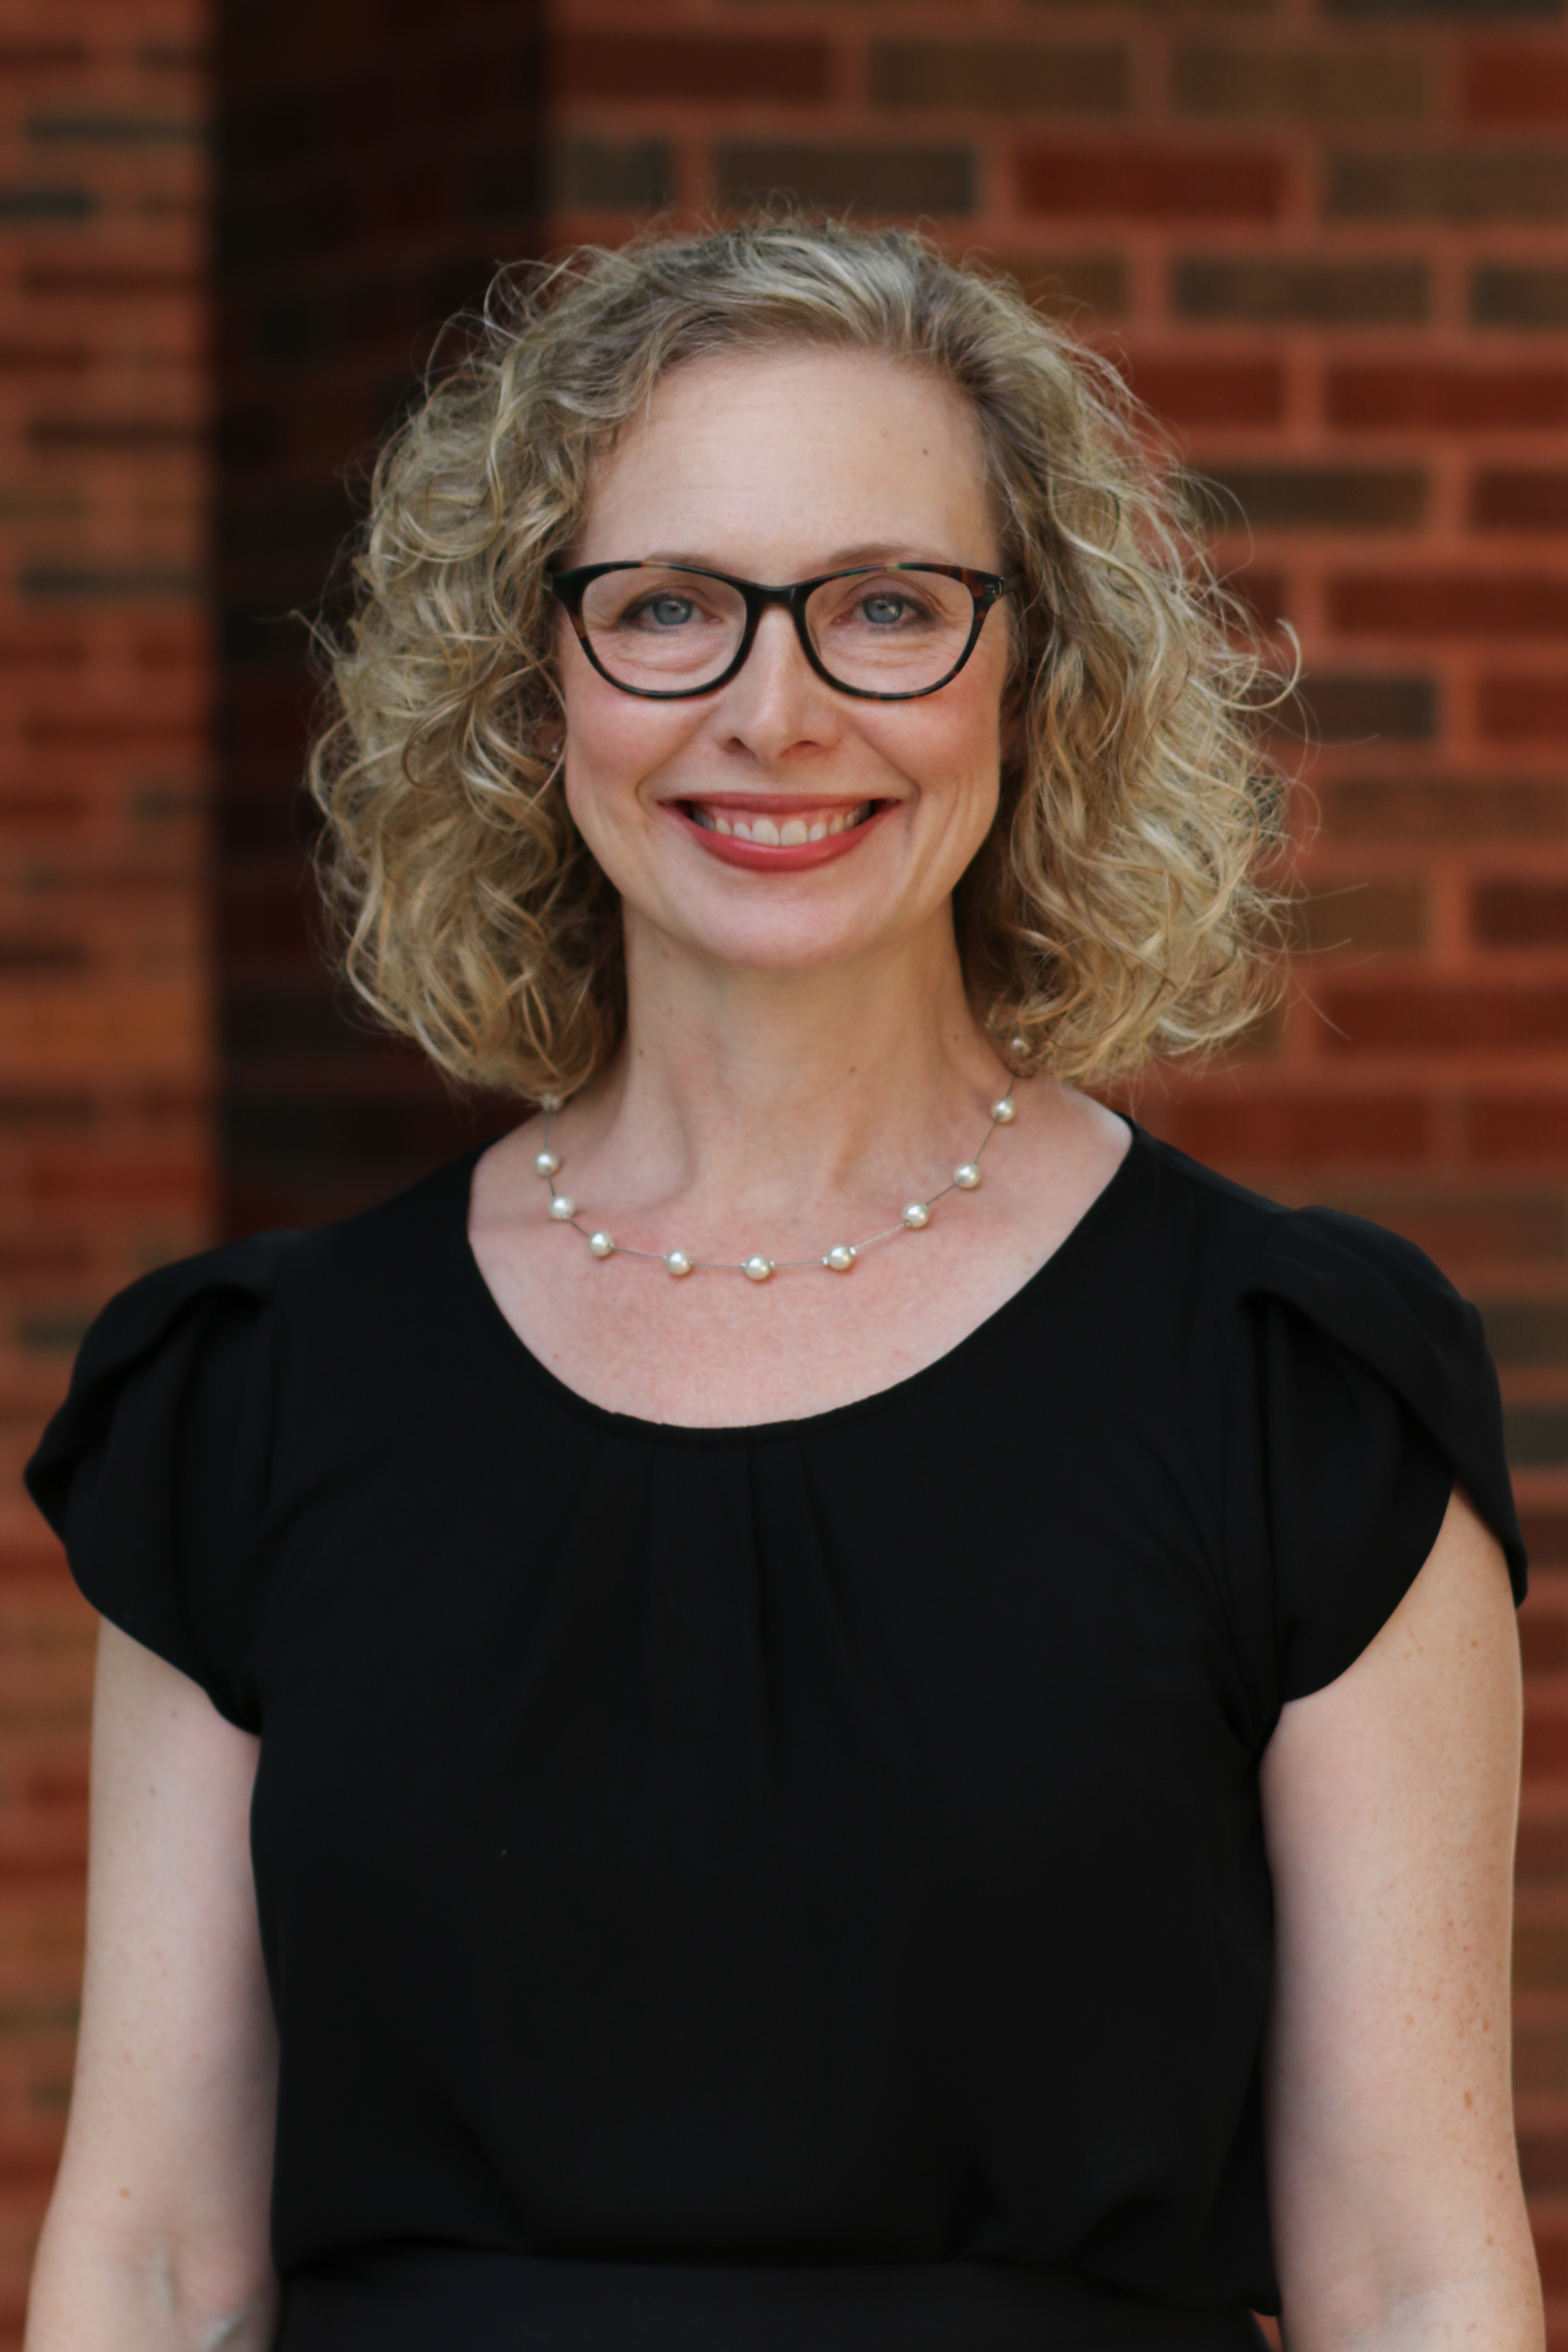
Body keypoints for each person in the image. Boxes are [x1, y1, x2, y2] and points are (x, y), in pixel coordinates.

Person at [21, 217, 1542, 2352]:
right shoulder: (256, 1395)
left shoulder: (1291, 1393)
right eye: (665, 607)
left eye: (888, 607)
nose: (775, 709)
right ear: (528, 681)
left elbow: (1414, 2274)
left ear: (1038, 670)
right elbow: (159, 2265)